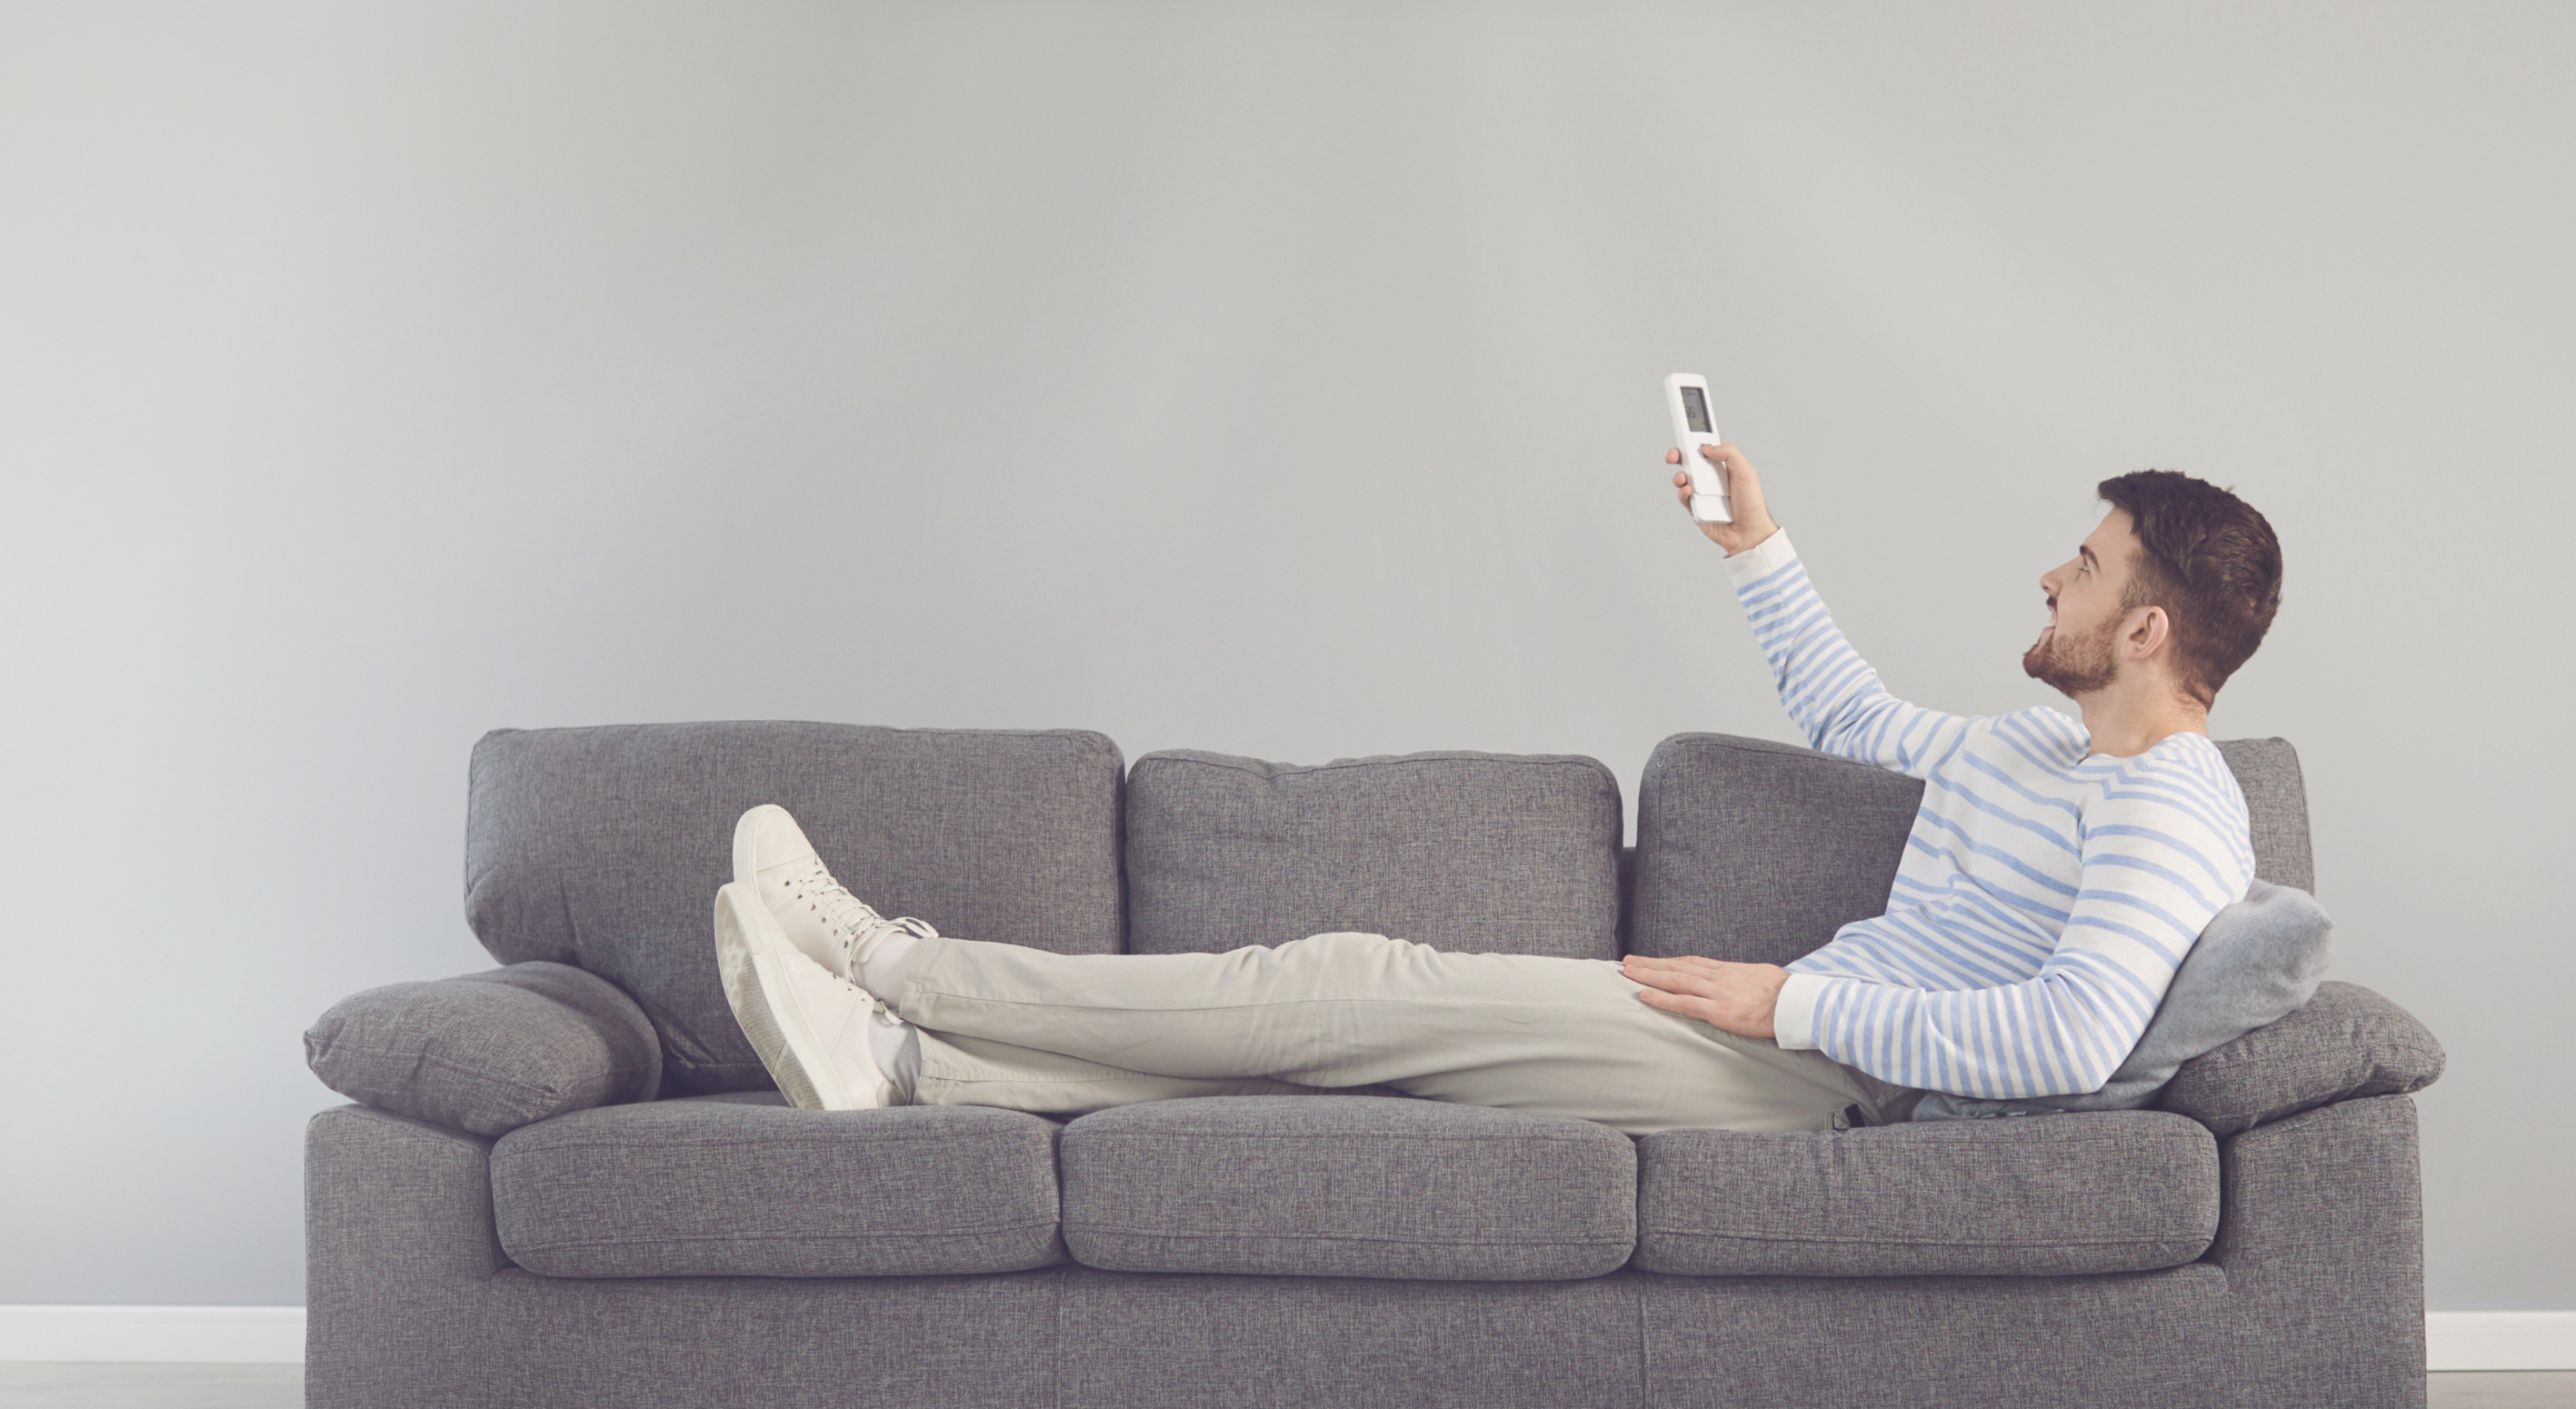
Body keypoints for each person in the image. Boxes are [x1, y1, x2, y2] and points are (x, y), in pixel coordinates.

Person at [708, 444, 2285, 1134]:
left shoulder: (2164, 808)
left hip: (1818, 1081)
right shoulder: (2040, 747)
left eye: (2082, 567)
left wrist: (1787, 1009)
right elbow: (1849, 710)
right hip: (1786, 1036)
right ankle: (915, 1075)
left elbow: (2077, 1038)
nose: (2049, 575)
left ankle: (894, 961)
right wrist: (1756, 542)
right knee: (1357, 1049)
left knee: (1344, 984)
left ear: (2145, 627)